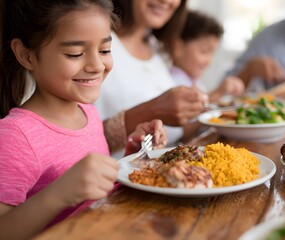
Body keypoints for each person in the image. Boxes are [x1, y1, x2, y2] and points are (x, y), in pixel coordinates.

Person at [0, 1, 166, 239]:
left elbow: (94, 194)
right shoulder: (15, 137)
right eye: (75, 54)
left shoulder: (87, 112)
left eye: (105, 50)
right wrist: (59, 194)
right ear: (26, 55)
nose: (97, 65)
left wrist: (134, 156)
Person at [95, 0, 208, 158]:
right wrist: (154, 109)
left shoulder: (157, 49)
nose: (167, 1)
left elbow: (174, 132)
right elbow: (74, 141)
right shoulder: (96, 44)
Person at [170, 10, 245, 103]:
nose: (209, 61)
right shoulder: (173, 82)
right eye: (204, 51)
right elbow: (191, 110)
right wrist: (219, 92)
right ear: (178, 48)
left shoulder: (194, 82)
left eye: (212, 54)